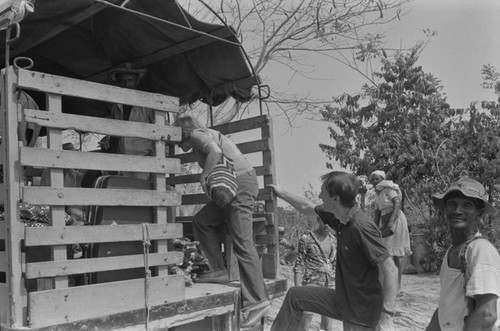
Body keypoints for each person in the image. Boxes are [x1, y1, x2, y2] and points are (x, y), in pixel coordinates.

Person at [172, 116, 270, 328]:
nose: (179, 145)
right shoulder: (204, 136)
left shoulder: (197, 134)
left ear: (184, 132)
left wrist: (204, 176)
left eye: (178, 140)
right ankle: (218, 271)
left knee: (243, 242)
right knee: (202, 221)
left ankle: (257, 300)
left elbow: (215, 153)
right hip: (235, 186)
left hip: (241, 185)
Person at [269, 171, 398, 331]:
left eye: (323, 192)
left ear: (335, 199)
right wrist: (280, 193)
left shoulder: (362, 226)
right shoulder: (337, 217)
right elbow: (307, 206)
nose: (320, 195)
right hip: (343, 300)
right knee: (295, 296)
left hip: (360, 312)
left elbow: (391, 269)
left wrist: (386, 316)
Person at [426, 176, 500, 331]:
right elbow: (447, 308)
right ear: (445, 208)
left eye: (467, 205)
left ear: (479, 213)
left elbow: (486, 315)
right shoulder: (451, 252)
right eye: (452, 204)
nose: (457, 210)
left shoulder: (480, 251)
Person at [106, 63, 156, 180]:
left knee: (142, 193)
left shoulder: (147, 104)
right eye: (122, 81)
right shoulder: (116, 107)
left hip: (143, 161)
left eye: (129, 80)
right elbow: (114, 135)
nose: (126, 85)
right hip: (121, 162)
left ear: (136, 82)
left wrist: (154, 163)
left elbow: (159, 135)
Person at [369, 170, 412, 292]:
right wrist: (374, 231)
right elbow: (376, 216)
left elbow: (397, 203)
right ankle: (388, 286)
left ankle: (397, 286)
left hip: (396, 220)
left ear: (382, 179)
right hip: (385, 222)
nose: (374, 181)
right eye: (372, 179)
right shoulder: (377, 196)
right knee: (386, 254)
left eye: (376, 179)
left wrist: (392, 221)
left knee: (397, 255)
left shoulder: (389, 189)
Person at [293, 216, 337, 331]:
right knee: (304, 324)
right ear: (318, 220)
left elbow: (336, 265)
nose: (327, 224)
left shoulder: (334, 240)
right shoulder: (306, 239)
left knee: (328, 326)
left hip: (330, 285)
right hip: (311, 284)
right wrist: (297, 291)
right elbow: (299, 264)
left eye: (330, 221)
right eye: (324, 221)